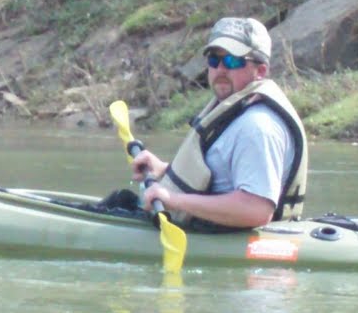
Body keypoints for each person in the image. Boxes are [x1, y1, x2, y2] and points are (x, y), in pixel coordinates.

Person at [131, 16, 308, 230]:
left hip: (229, 242)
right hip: (201, 229)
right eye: (214, 60)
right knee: (119, 200)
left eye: (233, 61)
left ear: (260, 71)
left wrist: (173, 199)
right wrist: (164, 171)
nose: (221, 69)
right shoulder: (234, 113)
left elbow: (256, 210)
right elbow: (219, 181)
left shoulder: (258, 127)